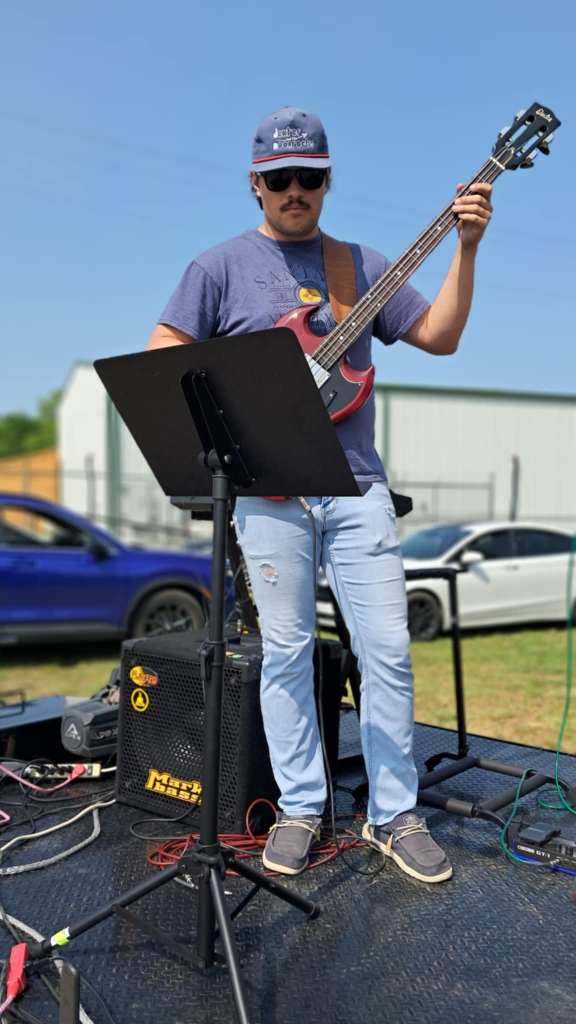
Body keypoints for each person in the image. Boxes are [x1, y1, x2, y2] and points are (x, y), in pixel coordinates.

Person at [148, 106, 492, 884]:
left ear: (327, 180)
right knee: (287, 653)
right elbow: (164, 353)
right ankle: (302, 806)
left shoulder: (360, 265)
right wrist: (247, 390)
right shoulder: (217, 268)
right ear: (256, 184)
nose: (294, 190)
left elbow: (439, 336)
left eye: (308, 176)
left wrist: (467, 247)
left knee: (388, 651)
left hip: (357, 487)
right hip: (271, 491)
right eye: (279, 179)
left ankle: (394, 815)